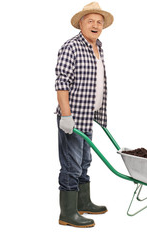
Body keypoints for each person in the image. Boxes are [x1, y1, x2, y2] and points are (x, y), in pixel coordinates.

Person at [54, 2, 114, 228]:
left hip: (88, 115)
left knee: (85, 161)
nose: (95, 25)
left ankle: (83, 202)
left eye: (99, 22)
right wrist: (66, 116)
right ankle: (68, 213)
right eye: (90, 21)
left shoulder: (99, 47)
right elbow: (61, 83)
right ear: (80, 24)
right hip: (73, 117)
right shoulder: (71, 47)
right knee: (71, 165)